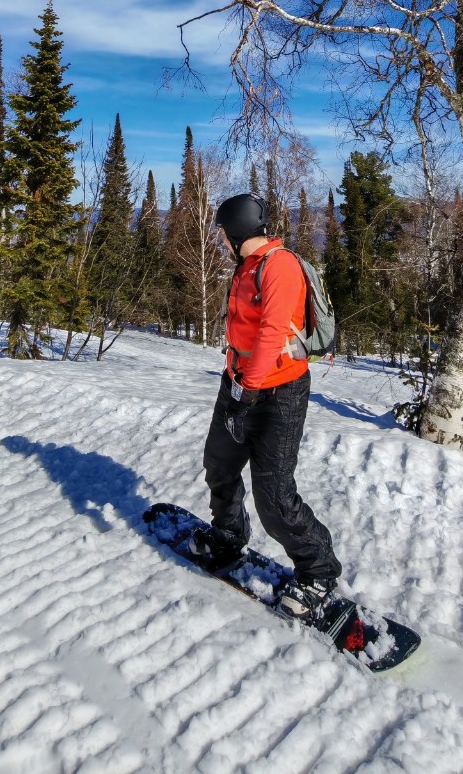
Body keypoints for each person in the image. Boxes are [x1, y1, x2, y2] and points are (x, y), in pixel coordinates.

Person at [191, 192, 343, 622]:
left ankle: (319, 571)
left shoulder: (280, 266)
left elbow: (273, 334)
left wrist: (248, 392)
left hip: (279, 394)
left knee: (274, 495)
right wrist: (236, 386)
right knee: (218, 465)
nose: (221, 240)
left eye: (222, 232)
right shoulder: (246, 267)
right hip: (239, 384)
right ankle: (228, 534)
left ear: (236, 229)